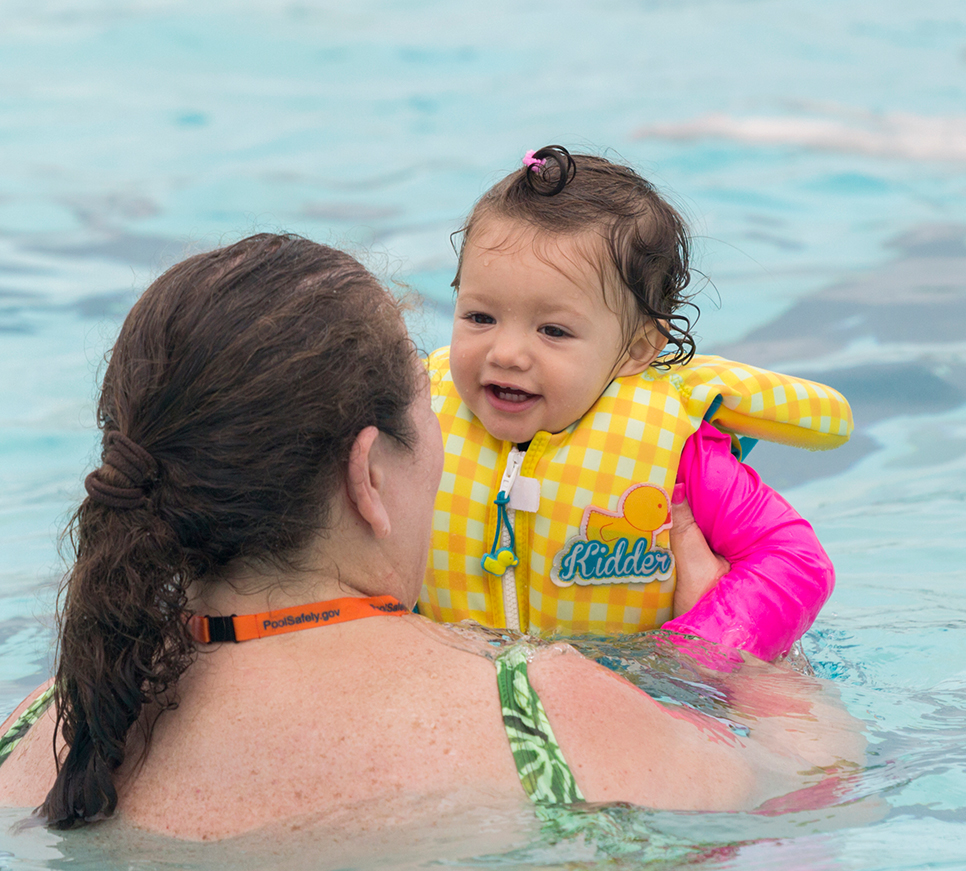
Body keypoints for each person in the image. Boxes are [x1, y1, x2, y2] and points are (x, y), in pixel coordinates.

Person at [0, 234, 861, 841]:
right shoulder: (552, 722)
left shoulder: (46, 728)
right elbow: (819, 788)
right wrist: (748, 664)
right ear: (368, 475)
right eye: (432, 405)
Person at [419, 145, 853, 660]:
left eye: (553, 330)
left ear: (637, 348)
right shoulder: (416, 429)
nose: (506, 353)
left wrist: (699, 651)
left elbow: (795, 560)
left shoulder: (680, 458)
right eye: (480, 317)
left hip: (646, 697)